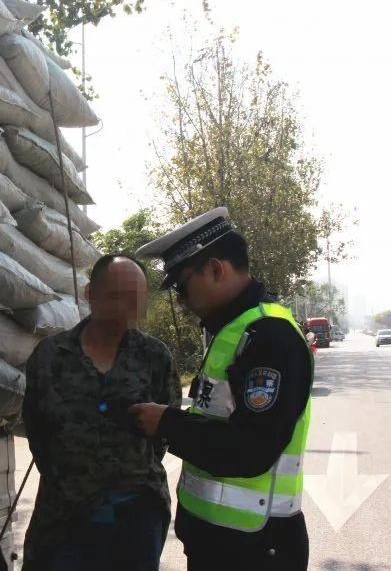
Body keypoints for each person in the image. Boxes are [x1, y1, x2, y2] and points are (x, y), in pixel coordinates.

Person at [128, 208, 314, 570]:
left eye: (182, 286)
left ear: (215, 269)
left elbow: (251, 449)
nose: (181, 300)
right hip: (222, 544)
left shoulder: (268, 337)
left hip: (255, 549)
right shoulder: (234, 331)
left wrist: (167, 423)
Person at [21, 254, 181, 571]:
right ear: (89, 293)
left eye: (133, 299)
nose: (123, 309)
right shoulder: (51, 357)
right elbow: (37, 431)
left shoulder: (154, 357)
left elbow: (164, 431)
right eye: (114, 296)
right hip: (65, 518)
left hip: (137, 517)